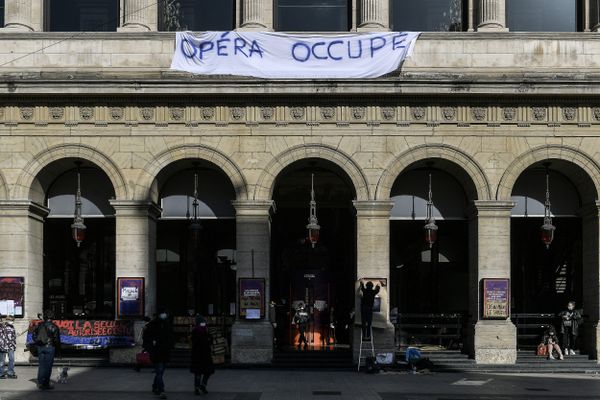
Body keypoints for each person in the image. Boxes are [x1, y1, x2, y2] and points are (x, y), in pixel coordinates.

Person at [143, 308, 173, 399]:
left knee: (161, 372)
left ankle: (154, 386)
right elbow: (147, 338)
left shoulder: (167, 324)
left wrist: (170, 346)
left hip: (165, 352)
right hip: (156, 352)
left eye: (165, 313)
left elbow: (171, 337)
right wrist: (150, 348)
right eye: (163, 313)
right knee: (159, 371)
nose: (164, 315)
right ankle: (161, 390)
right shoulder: (152, 325)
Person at [32, 310, 61, 390]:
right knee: (48, 367)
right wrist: (59, 351)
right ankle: (46, 384)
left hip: (40, 348)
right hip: (50, 348)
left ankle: (40, 383)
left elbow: (34, 335)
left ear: (45, 317)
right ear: (52, 317)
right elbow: (57, 341)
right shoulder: (54, 327)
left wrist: (37, 342)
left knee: (41, 366)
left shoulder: (39, 325)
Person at [190, 315, 214, 395]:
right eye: (202, 322)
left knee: (208, 371)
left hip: (206, 354)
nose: (203, 323)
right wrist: (206, 340)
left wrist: (209, 339)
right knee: (198, 373)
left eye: (204, 322)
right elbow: (196, 342)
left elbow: (210, 340)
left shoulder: (205, 330)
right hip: (198, 354)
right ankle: (197, 388)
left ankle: (203, 385)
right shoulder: (195, 331)